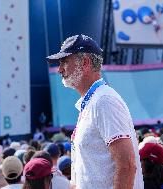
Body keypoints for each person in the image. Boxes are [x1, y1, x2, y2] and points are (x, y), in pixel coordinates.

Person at [47, 34, 143, 189]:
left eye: (64, 61)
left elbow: (127, 166)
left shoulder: (104, 101)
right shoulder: (95, 101)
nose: (59, 69)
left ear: (85, 62)